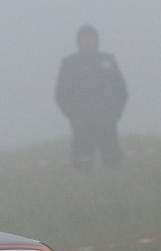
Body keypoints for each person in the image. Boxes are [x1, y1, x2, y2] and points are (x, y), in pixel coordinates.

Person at [54, 24, 128, 172]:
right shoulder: (69, 63)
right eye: (85, 38)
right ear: (78, 41)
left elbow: (121, 89)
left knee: (112, 164)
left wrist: (116, 112)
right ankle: (85, 193)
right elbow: (61, 94)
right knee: (82, 165)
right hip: (82, 123)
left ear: (97, 40)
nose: (89, 41)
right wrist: (73, 115)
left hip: (107, 121)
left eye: (92, 38)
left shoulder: (108, 60)